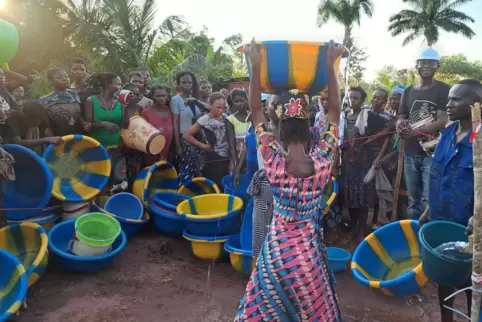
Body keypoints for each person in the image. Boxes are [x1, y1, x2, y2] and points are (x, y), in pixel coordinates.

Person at [235, 39, 343, 321]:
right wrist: (331, 65)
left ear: (281, 129)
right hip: (308, 252)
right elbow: (335, 111)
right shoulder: (322, 159)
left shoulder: (271, 158)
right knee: (310, 309)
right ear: (309, 130)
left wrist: (256, 65)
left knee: (266, 306)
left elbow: (256, 110)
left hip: (277, 250)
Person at [419, 79, 482, 322]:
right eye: (449, 98)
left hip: (468, 228)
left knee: (470, 284)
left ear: (475, 103)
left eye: (456, 99)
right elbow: (439, 175)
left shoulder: (479, 141)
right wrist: (427, 209)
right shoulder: (446, 134)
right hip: (441, 219)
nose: (448, 103)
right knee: (444, 276)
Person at [397, 48, 451, 220]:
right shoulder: (408, 90)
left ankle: (427, 236)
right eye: (423, 62)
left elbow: (442, 120)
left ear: (438, 66)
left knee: (429, 199)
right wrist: (400, 125)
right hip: (411, 151)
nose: (426, 66)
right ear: (417, 65)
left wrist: (412, 131)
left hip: (433, 152)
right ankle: (413, 234)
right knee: (413, 199)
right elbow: (402, 115)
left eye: (431, 63)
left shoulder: (444, 89)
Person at [183, 92, 236, 188]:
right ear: (210, 105)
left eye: (223, 107)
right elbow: (187, 135)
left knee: (225, 183)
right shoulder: (205, 119)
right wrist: (202, 146)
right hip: (213, 157)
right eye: (218, 107)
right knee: (215, 184)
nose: (221, 110)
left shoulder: (225, 117)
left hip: (226, 156)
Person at [171, 71, 205, 183]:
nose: (187, 85)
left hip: (198, 138)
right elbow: (175, 123)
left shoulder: (195, 99)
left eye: (189, 82)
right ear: (179, 84)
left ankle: (197, 192)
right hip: (185, 138)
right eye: (183, 82)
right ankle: (184, 191)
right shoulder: (175, 100)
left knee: (199, 166)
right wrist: (177, 145)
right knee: (187, 167)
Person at [84, 73, 123, 149]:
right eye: (118, 84)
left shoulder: (119, 102)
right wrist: (104, 124)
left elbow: (125, 125)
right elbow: (88, 125)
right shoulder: (91, 100)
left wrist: (127, 106)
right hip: (97, 147)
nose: (120, 87)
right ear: (108, 85)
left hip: (116, 147)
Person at [143, 85, 174, 164]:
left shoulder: (171, 111)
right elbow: (145, 136)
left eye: (164, 96)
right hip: (151, 154)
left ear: (167, 96)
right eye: (158, 96)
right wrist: (158, 154)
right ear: (152, 96)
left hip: (169, 153)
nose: (161, 98)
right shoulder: (146, 113)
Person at [227, 89, 250, 158]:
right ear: (232, 102)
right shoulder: (231, 119)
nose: (239, 103)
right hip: (239, 155)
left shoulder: (253, 116)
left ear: (247, 100)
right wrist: (234, 161)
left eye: (242, 101)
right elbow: (232, 144)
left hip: (254, 154)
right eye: (236, 101)